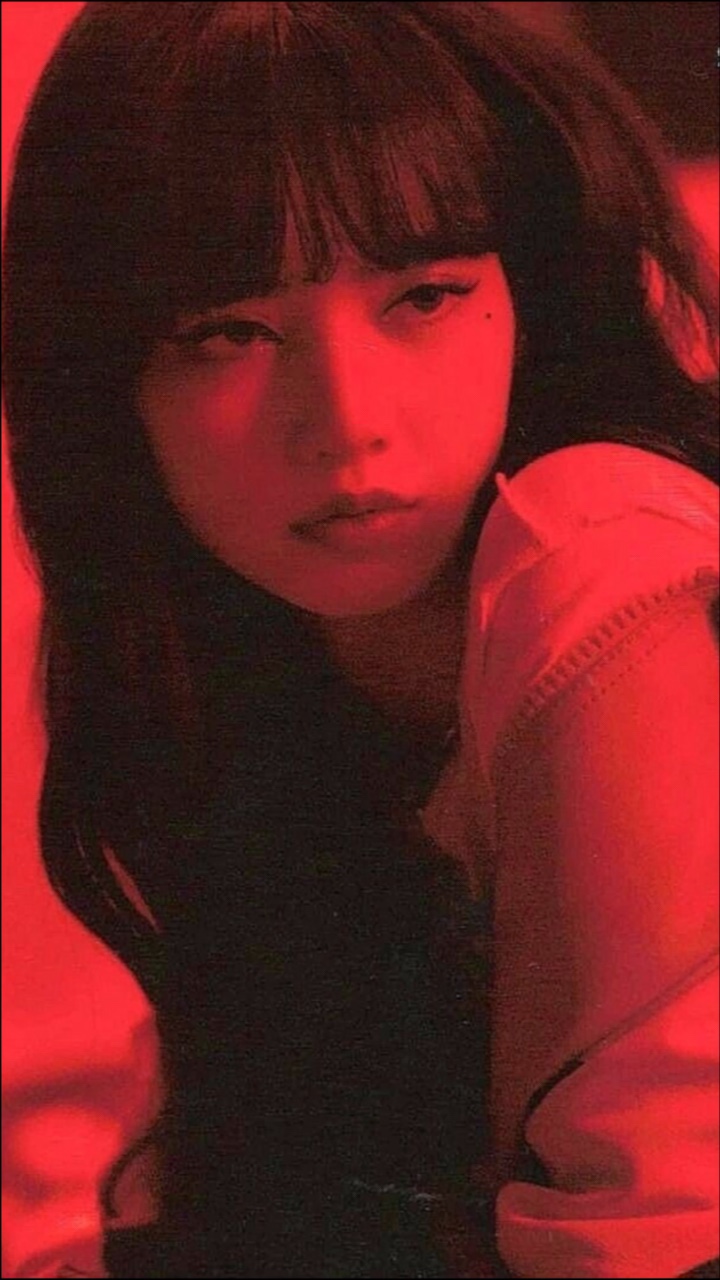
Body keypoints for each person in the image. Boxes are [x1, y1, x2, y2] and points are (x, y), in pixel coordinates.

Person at [2, 2, 718, 1276]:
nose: (346, 419)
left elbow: (659, 1240)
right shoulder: (228, 650)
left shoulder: (603, 555)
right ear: (108, 380)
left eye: (426, 296)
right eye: (228, 331)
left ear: (528, 291)